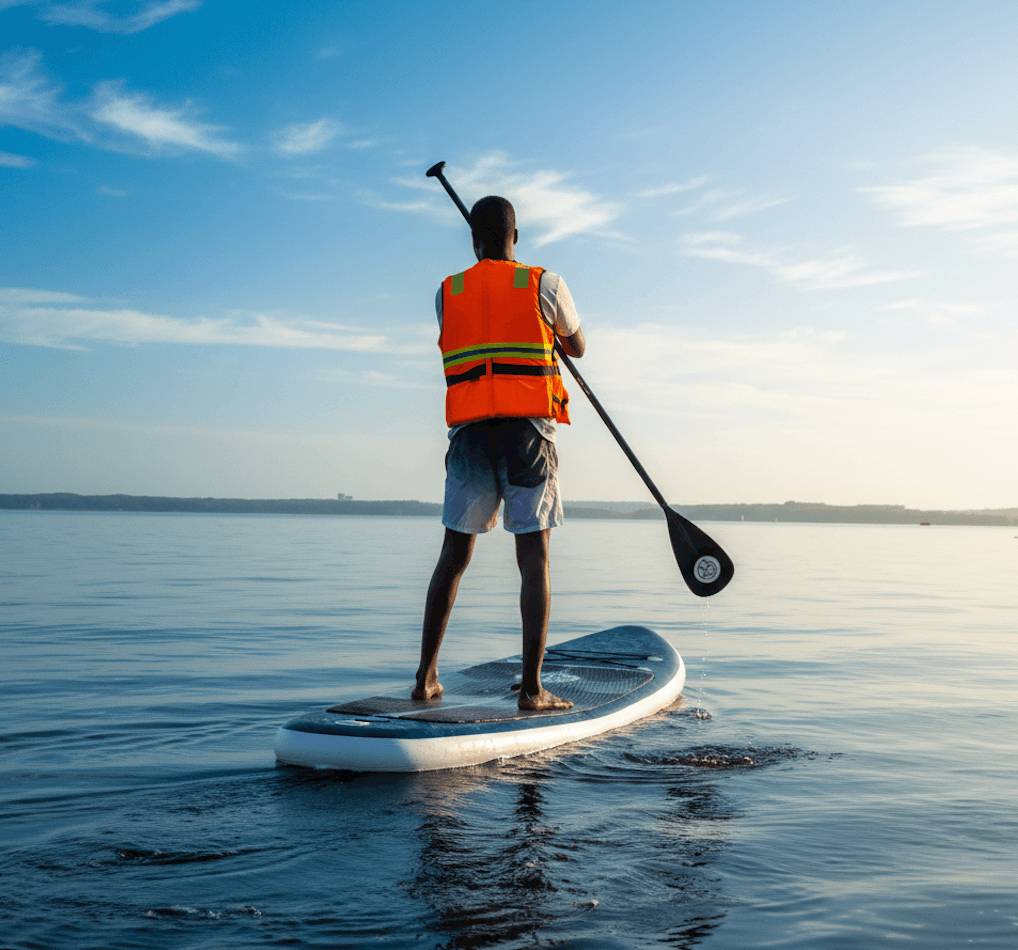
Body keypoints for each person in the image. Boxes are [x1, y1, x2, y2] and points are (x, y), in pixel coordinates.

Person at [413, 195, 586, 712]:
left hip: (470, 435)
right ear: (517, 236)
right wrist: (552, 331)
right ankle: (533, 690)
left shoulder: (448, 291)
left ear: (473, 239)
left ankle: (424, 679)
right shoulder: (544, 283)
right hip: (526, 434)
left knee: (454, 556)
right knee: (533, 556)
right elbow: (576, 346)